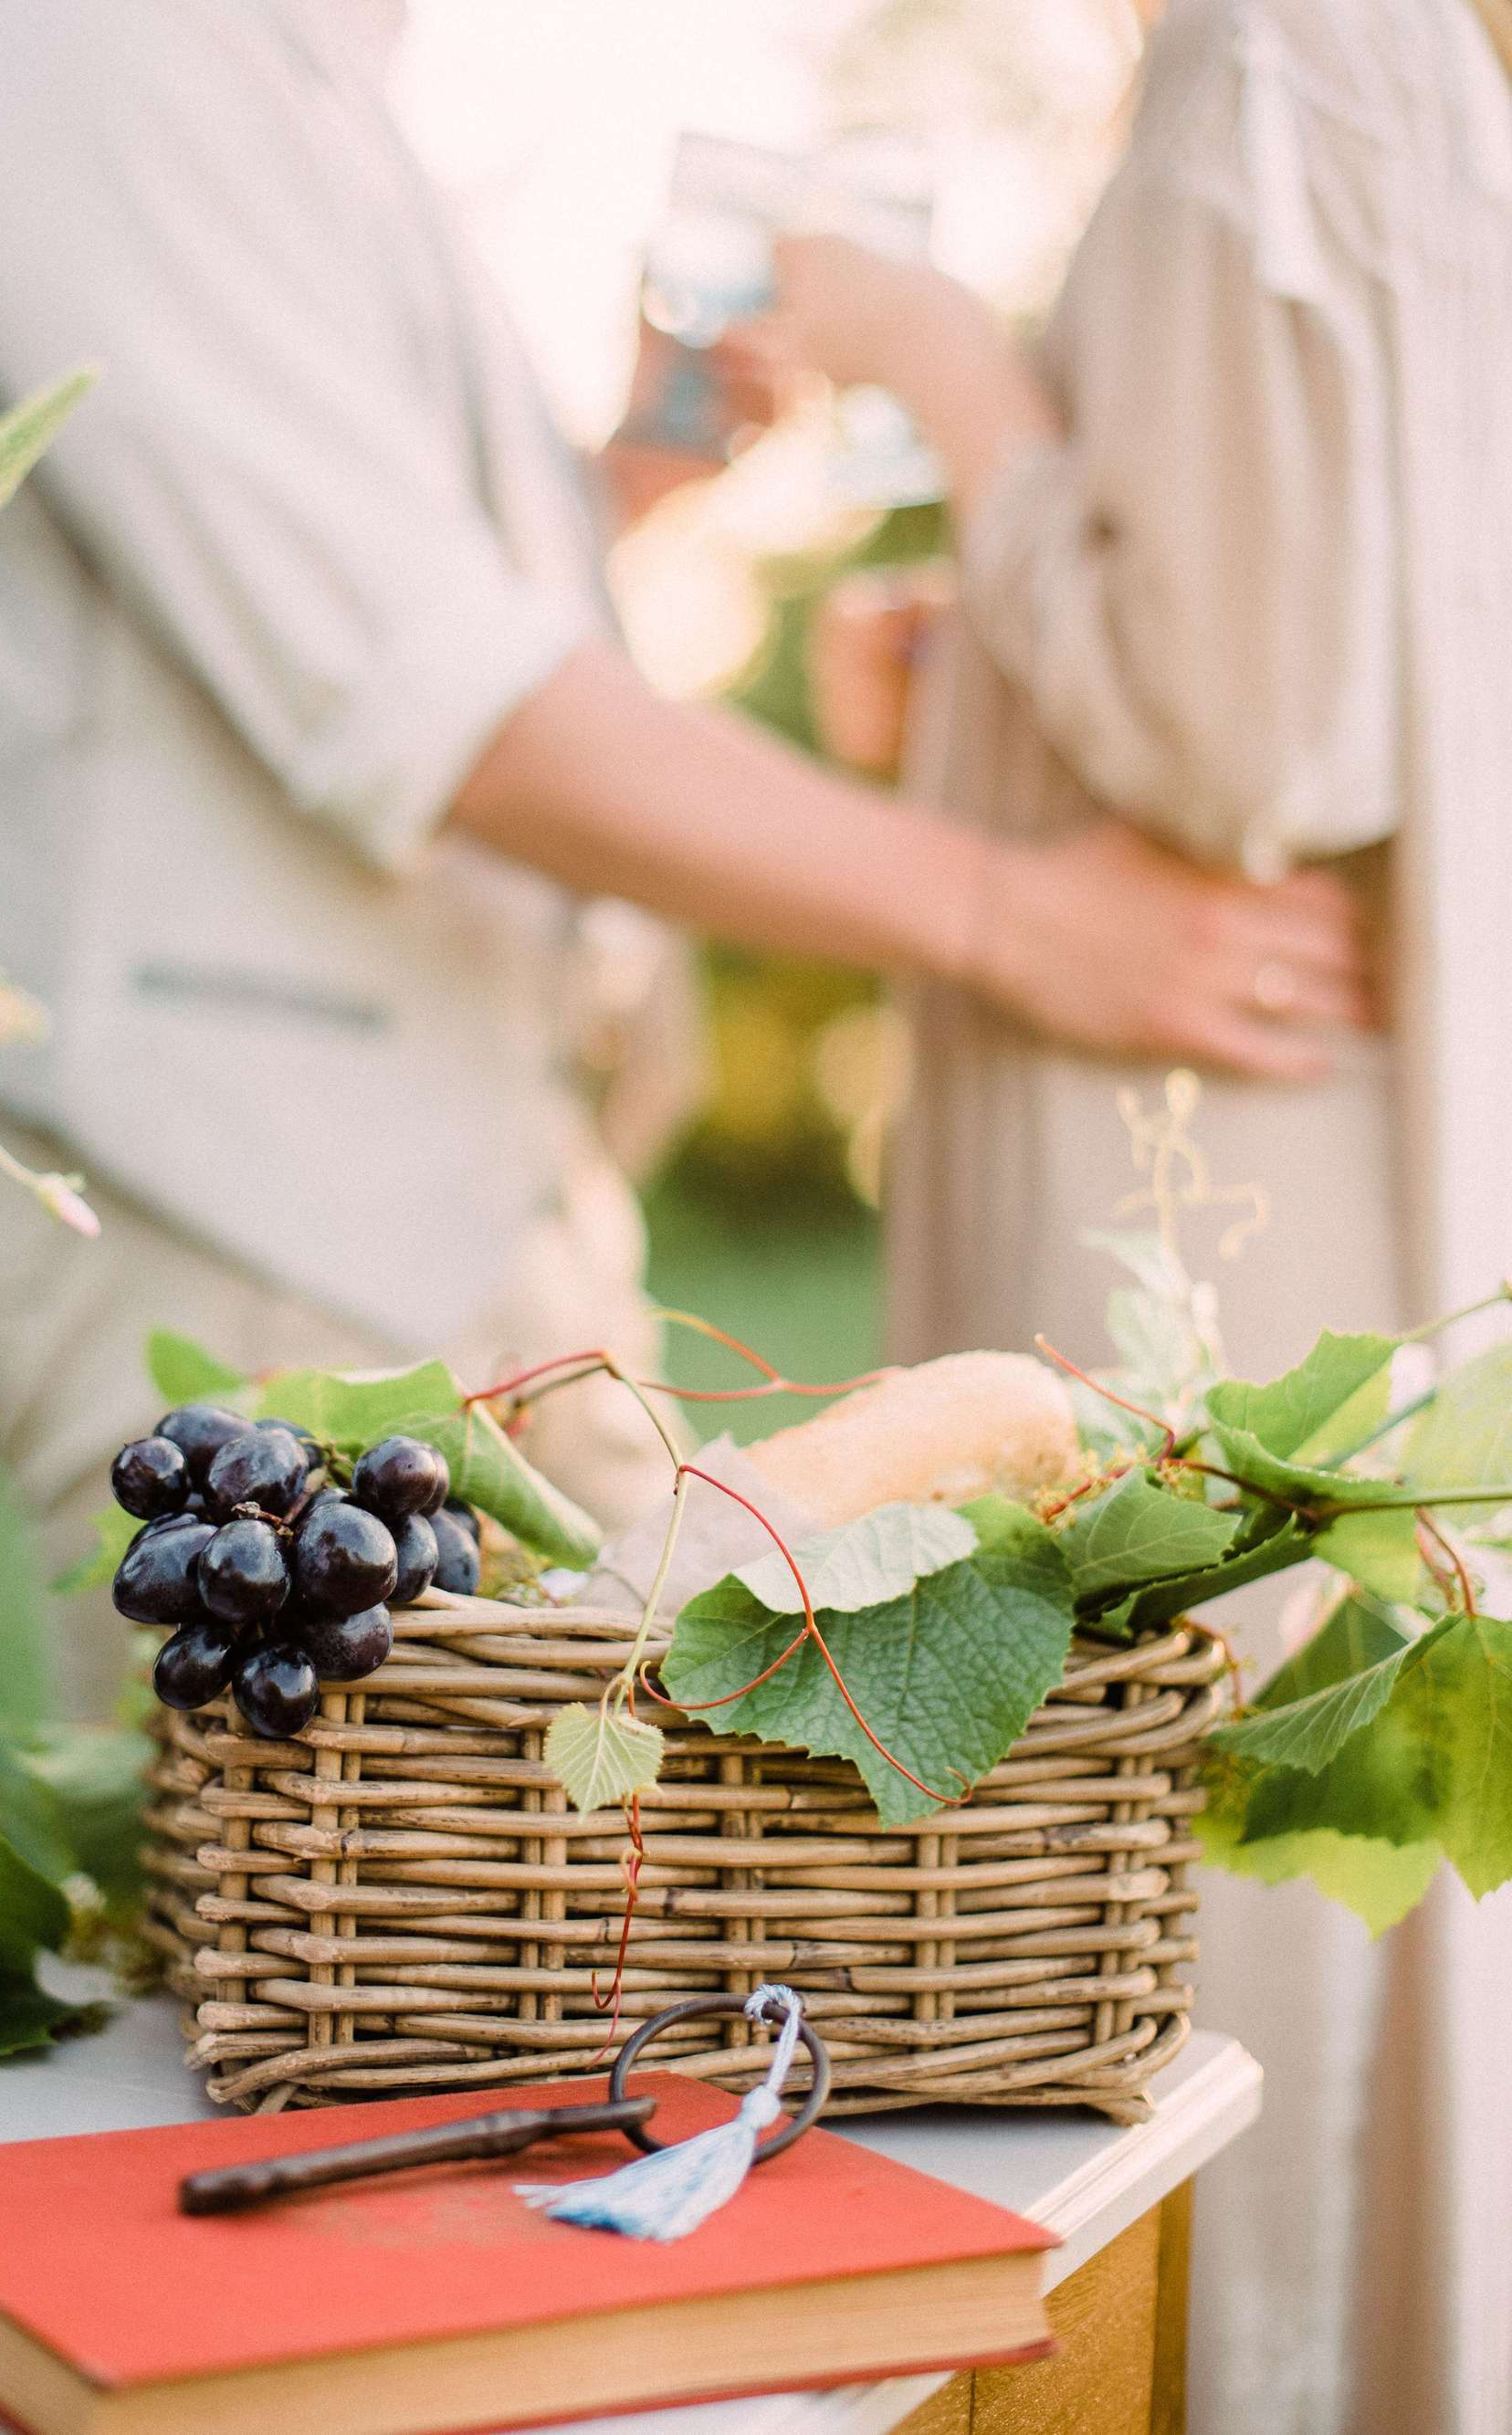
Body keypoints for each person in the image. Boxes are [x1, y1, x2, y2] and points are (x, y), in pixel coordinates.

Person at [0, 0, 1363, 1718]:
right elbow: (438, 707)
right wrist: (1016, 916)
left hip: (486, 1210)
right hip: (230, 1201)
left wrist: (621, 486)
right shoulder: (102, 58)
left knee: (562, 1921)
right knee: (273, 1944)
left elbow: (348, 586)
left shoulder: (296, 83)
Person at [765, 2, 1512, 2429]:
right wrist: (992, 661)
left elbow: (1259, 722)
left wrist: (956, 379)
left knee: (1185, 1917)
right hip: (1243, 1144)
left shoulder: (1282, 50)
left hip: (1211, 1179)